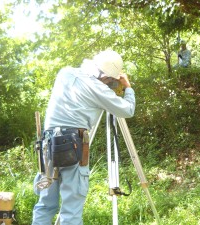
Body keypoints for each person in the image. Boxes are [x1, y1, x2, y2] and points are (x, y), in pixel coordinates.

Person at [32, 50, 135, 225]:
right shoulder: (99, 89)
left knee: (45, 205)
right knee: (71, 210)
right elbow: (127, 110)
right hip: (73, 145)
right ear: (106, 76)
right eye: (110, 79)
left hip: (47, 145)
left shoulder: (65, 72)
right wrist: (128, 88)